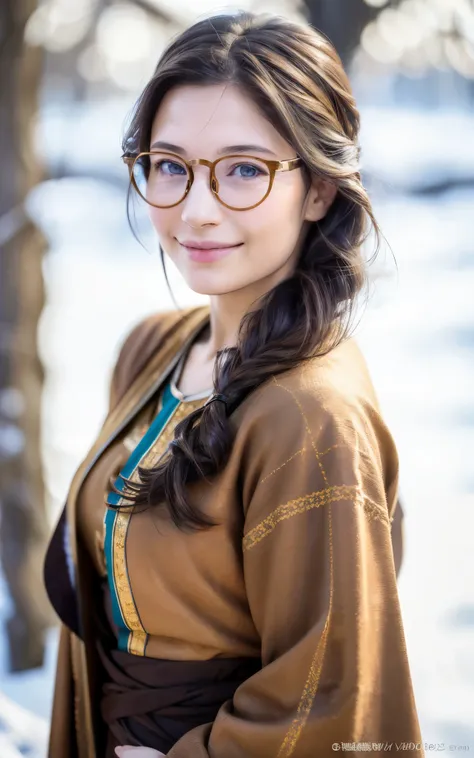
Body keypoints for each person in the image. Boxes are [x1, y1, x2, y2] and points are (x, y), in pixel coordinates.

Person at [43, 10, 422, 758]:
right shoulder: (153, 349)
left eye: (244, 168)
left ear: (317, 189)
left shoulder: (311, 414)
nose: (197, 209)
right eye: (170, 164)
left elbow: (331, 687)